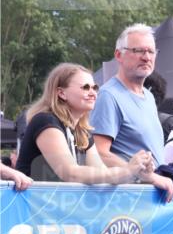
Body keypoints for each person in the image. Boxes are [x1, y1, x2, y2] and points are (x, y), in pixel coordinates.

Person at [90, 24, 173, 200]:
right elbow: (99, 153)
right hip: (126, 200)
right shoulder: (108, 96)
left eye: (151, 51)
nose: (146, 57)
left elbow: (151, 153)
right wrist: (150, 177)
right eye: (139, 51)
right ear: (119, 55)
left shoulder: (147, 96)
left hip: (150, 199)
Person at [16, 63, 156, 186]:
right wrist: (126, 170)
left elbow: (101, 173)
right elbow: (70, 173)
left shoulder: (82, 132)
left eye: (95, 87)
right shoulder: (45, 121)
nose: (93, 93)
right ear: (61, 93)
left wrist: (138, 172)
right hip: (30, 210)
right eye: (85, 87)